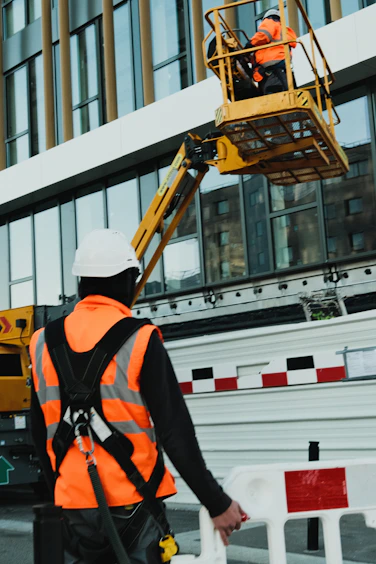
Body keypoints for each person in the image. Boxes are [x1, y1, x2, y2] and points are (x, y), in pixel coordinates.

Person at [30, 229, 246, 564]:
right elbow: (175, 432)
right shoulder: (141, 339)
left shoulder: (43, 342)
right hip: (135, 506)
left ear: (81, 282)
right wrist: (216, 503)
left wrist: (61, 487)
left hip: (72, 510)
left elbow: (37, 431)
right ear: (129, 280)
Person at [247, 9, 297, 95]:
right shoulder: (284, 32)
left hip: (272, 72)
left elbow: (264, 35)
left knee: (272, 95)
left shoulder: (271, 22)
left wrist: (250, 44)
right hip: (281, 71)